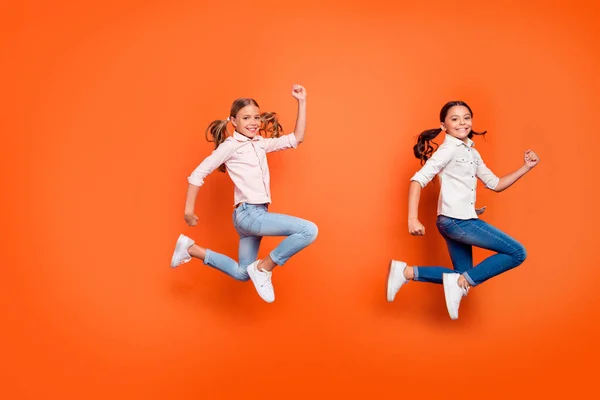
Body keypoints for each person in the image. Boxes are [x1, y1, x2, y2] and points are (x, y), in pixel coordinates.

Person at [387, 101, 539, 319]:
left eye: (466, 117)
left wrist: (526, 167)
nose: (462, 123)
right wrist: (413, 218)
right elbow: (417, 180)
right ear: (444, 125)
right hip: (457, 223)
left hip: (457, 220)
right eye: (454, 119)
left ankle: (405, 272)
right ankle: (462, 282)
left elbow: (495, 184)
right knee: (516, 253)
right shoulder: (448, 150)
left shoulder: (472, 153)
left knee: (460, 274)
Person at [170, 84, 317, 303]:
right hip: (250, 215)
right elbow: (197, 174)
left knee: (242, 273)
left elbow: (296, 138)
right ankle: (264, 268)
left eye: (256, 118)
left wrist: (302, 102)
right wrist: (189, 212)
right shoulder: (230, 146)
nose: (253, 123)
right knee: (308, 230)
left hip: (248, 216)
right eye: (246, 118)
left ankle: (191, 249)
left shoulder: (259, 144)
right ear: (233, 121)